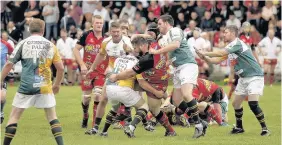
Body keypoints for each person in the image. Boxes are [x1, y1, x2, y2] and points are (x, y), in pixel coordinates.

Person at [196, 25, 270, 136]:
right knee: (236, 104)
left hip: (254, 76)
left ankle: (265, 129)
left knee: (253, 103)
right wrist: (204, 57)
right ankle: (239, 128)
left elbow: (221, 53)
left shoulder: (237, 43)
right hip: (243, 78)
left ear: (232, 33)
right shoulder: (231, 47)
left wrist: (205, 52)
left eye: (225, 32)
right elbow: (216, 60)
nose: (223, 34)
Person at [1, 18, 65, 145]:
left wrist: (0, 79)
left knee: (14, 117)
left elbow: (9, 64)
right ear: (43, 29)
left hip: (26, 86)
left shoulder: (23, 43)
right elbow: (61, 68)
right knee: (52, 117)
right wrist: (57, 84)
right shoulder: (50, 45)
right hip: (44, 86)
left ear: (29, 30)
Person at [149, 14, 207, 138]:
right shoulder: (165, 37)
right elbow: (172, 52)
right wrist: (168, 62)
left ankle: (198, 125)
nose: (158, 27)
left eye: (159, 24)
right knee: (176, 100)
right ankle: (201, 122)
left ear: (166, 23)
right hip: (178, 68)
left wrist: (157, 51)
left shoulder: (174, 30)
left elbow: (176, 45)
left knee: (187, 94)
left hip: (187, 65)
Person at [85, 21, 133, 135]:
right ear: (110, 32)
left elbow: (132, 52)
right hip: (112, 73)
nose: (116, 34)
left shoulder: (126, 41)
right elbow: (101, 55)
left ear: (121, 31)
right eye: (114, 32)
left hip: (125, 74)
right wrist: (92, 68)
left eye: (118, 31)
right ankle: (96, 128)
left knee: (125, 100)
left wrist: (128, 50)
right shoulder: (106, 42)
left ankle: (130, 122)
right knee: (103, 99)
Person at [133, 23, 176, 136]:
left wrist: (116, 76)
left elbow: (141, 82)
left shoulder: (147, 57)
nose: (133, 49)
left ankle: (171, 126)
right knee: (129, 88)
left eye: (135, 47)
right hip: (159, 79)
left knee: (154, 109)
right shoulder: (155, 44)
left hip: (156, 83)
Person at [73, 15, 107, 129]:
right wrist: (82, 65)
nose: (99, 25)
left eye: (101, 23)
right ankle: (85, 114)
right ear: (92, 24)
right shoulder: (86, 35)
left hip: (101, 72)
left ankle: (94, 124)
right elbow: (75, 49)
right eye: (97, 23)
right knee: (86, 98)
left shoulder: (107, 38)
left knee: (97, 96)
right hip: (87, 71)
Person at [0, 39, 13, 124]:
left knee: (2, 98)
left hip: (1, 75)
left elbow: (13, 54)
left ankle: (1, 111)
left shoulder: (5, 44)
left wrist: (10, 64)